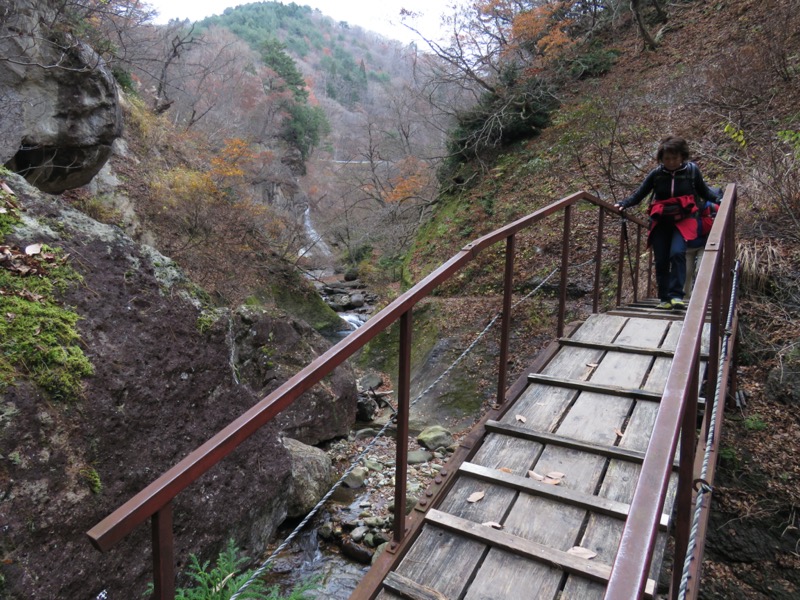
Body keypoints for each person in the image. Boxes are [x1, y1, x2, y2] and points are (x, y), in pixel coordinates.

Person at [614, 136, 720, 309]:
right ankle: (664, 299)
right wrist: (624, 203)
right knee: (661, 259)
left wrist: (719, 200)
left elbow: (705, 192)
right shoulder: (656, 175)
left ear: (682, 156)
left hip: (684, 220)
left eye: (675, 158)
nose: (671, 162)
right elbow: (639, 194)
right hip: (661, 221)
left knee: (677, 253)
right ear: (661, 158)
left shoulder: (692, 172)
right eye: (667, 158)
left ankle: (677, 296)